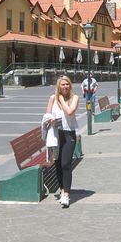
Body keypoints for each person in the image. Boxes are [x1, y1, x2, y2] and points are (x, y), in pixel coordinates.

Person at [46, 76, 79, 208]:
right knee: (58, 164)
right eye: (63, 84)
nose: (65, 86)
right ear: (58, 86)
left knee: (66, 164)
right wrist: (51, 120)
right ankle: (62, 189)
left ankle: (66, 194)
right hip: (56, 135)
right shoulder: (52, 98)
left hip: (69, 134)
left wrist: (60, 99)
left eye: (67, 84)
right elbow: (47, 116)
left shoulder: (74, 98)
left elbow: (70, 112)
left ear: (70, 86)